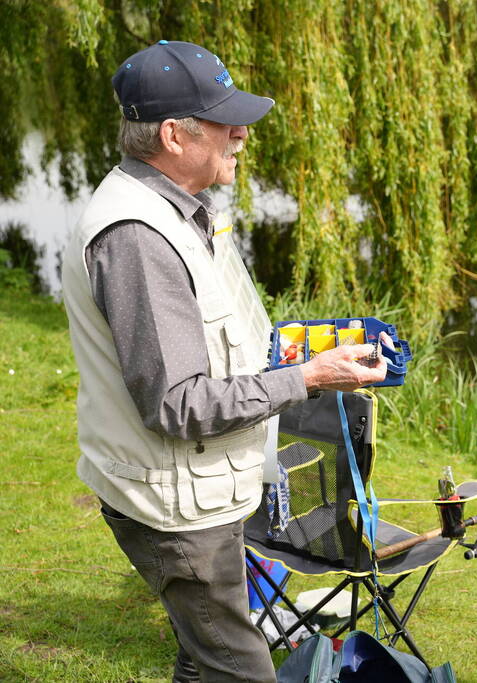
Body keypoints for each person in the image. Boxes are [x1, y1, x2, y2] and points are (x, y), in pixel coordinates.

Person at [61, 40, 386, 682]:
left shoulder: (177, 210)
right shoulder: (139, 239)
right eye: (225, 119)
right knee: (241, 670)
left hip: (197, 489)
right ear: (176, 135)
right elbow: (178, 405)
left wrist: (302, 351)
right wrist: (312, 377)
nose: (242, 133)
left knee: (203, 652)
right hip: (175, 508)